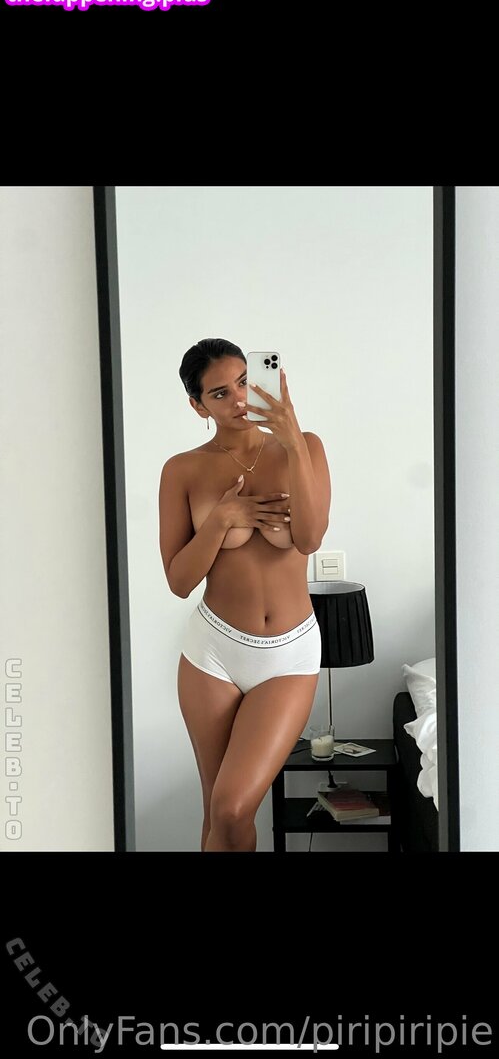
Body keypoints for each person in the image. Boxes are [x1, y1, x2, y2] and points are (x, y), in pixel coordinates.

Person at [159, 338, 331, 851]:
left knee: (233, 806)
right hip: (212, 654)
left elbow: (309, 538)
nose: (238, 399)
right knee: (218, 813)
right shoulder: (182, 470)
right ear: (198, 406)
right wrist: (221, 520)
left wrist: (292, 439)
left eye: (244, 382)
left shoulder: (307, 446)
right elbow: (179, 581)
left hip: (289, 655)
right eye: (219, 393)